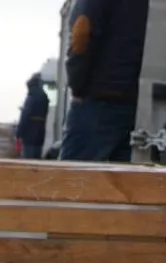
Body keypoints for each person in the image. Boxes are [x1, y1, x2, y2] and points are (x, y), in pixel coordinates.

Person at [59, 0, 149, 163]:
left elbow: (81, 35)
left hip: (96, 102)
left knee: (72, 179)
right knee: (121, 181)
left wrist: (77, 86)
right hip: (131, 103)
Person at [16, 74, 50, 160]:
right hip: (40, 132)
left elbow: (25, 115)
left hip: (29, 133)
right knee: (37, 158)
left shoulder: (31, 96)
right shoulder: (45, 97)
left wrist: (18, 133)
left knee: (28, 160)